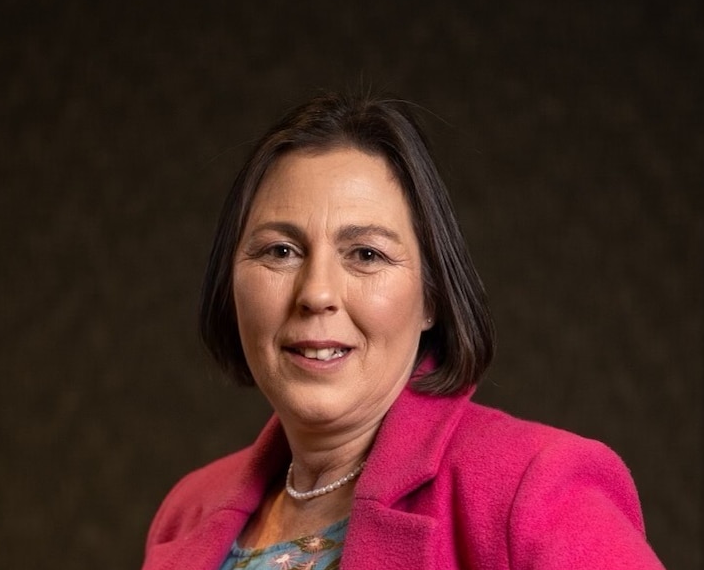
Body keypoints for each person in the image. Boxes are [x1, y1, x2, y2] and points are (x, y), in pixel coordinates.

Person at [141, 91, 665, 570]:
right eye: (281, 251)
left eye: (366, 254)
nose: (316, 293)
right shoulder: (188, 510)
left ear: (431, 298)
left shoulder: (532, 488)